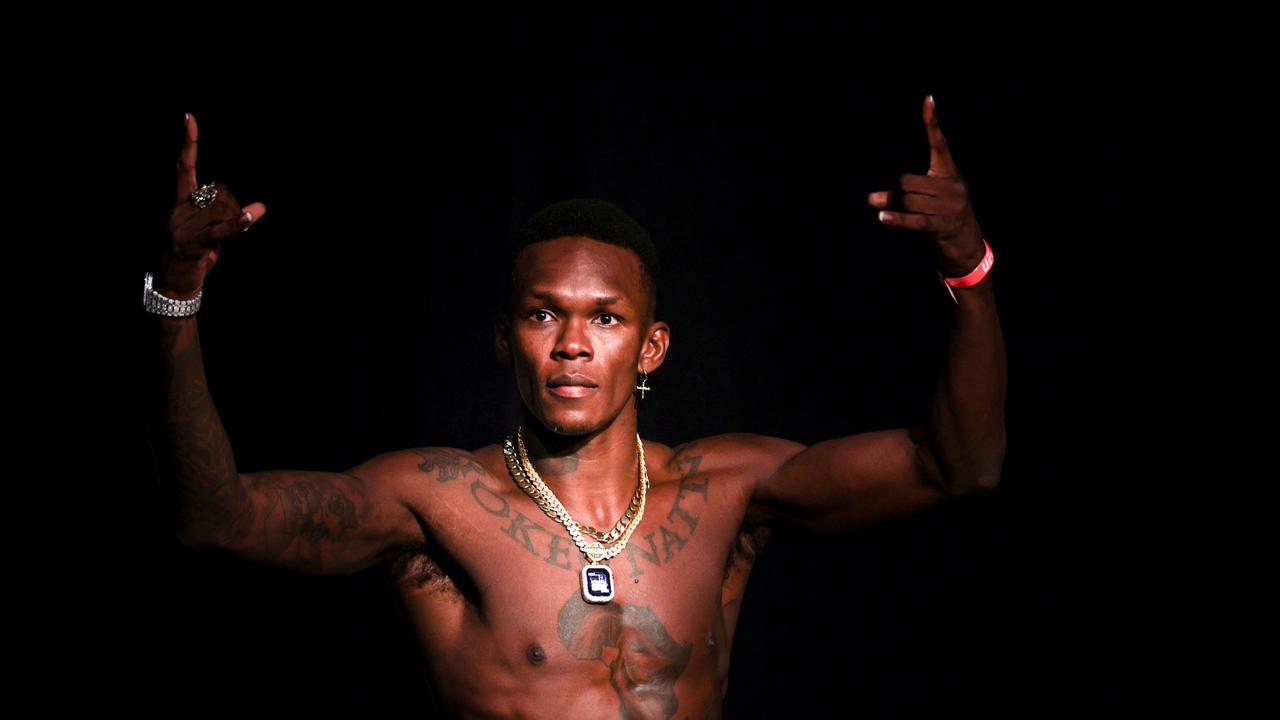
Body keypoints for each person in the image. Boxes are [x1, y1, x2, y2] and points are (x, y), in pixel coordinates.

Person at [144, 94, 1006, 719]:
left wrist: (969, 272)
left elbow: (959, 464)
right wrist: (179, 298)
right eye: (542, 313)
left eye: (605, 318)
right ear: (504, 339)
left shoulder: (728, 491)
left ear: (650, 347)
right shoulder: (436, 502)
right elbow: (216, 519)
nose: (571, 345)